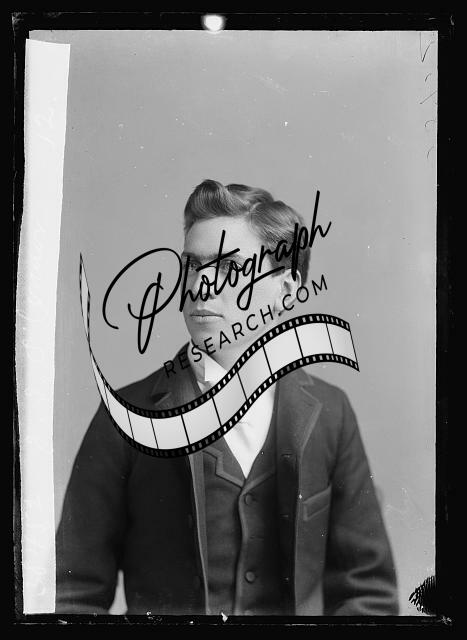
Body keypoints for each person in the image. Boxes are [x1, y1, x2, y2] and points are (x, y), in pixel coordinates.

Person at [55, 179, 399, 616]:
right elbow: (72, 596)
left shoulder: (331, 413)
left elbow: (368, 593)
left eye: (229, 267)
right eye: (192, 265)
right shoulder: (125, 416)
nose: (201, 285)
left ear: (287, 289)